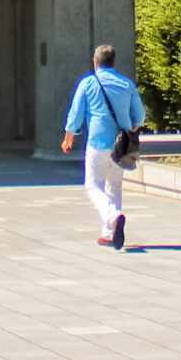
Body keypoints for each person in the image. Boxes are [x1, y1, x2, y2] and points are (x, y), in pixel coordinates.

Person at [61, 43, 146, 250]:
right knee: (114, 186)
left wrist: (68, 137)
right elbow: (140, 116)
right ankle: (108, 233)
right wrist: (130, 130)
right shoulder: (126, 84)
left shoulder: (88, 83)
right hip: (122, 145)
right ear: (113, 62)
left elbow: (75, 114)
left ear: (95, 62)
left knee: (92, 186)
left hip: (97, 143)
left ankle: (113, 217)